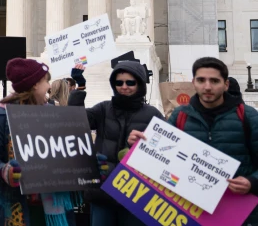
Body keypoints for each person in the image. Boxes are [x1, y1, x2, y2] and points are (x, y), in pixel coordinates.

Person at [130, 57, 258, 225]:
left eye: (214, 81)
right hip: (190, 212)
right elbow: (160, 159)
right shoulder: (180, 116)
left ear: (226, 84)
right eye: (201, 80)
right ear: (193, 83)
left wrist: (252, 182)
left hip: (238, 213)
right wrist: (139, 144)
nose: (207, 86)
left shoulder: (248, 116)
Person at [68, 61, 163, 226]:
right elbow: (75, 121)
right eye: (119, 82)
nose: (124, 87)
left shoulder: (153, 114)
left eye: (130, 82)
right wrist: (80, 88)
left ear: (140, 84)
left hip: (136, 194)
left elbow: (163, 152)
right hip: (102, 192)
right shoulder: (103, 109)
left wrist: (139, 147)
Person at [0, 58, 79, 225]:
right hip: (16, 208)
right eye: (46, 81)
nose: (49, 86)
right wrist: (5, 171)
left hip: (52, 209)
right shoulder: (0, 115)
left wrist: (89, 165)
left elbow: (68, 154)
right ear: (35, 84)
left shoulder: (53, 113)